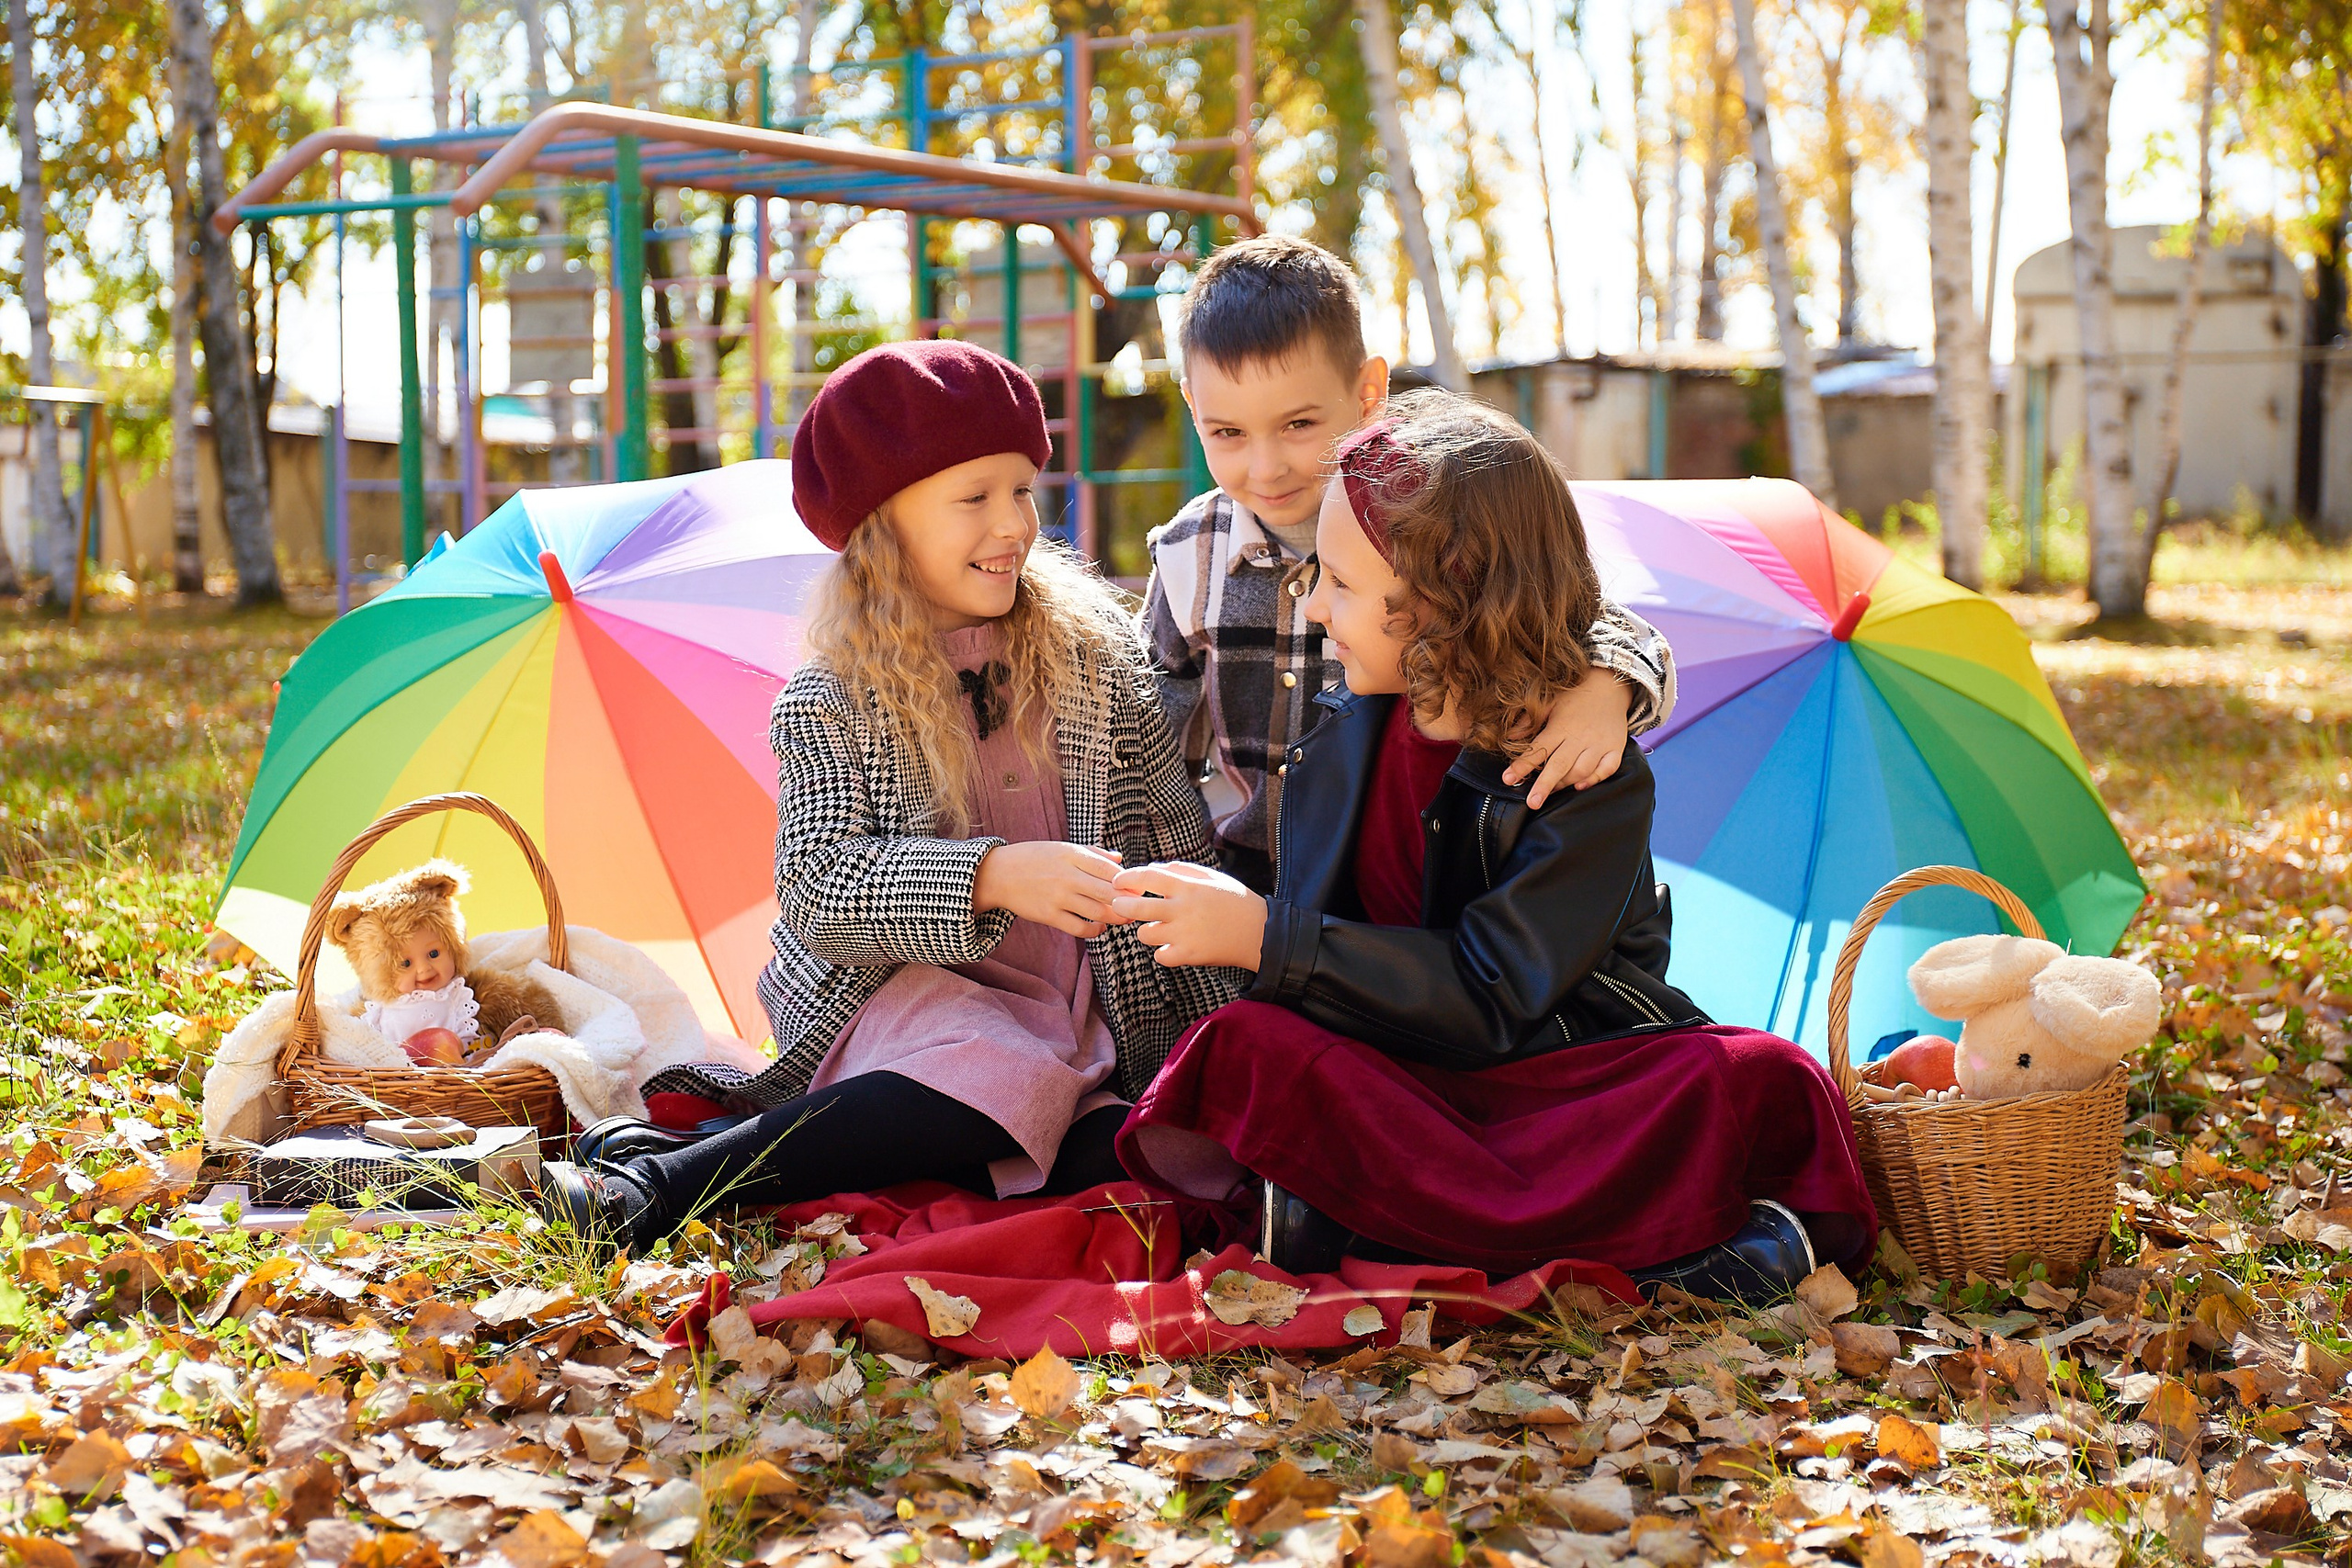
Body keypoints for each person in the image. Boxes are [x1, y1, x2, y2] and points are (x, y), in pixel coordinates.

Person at [1108, 391, 1876, 1302]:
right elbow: (1321, 945)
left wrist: (1268, 939)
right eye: (1319, 575)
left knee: (1762, 1078)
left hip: (1550, 1085)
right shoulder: (1342, 722)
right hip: (1402, 1082)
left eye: (1342, 586)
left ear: (1445, 605)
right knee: (1241, 1042)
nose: (1312, 607)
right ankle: (1493, 1232)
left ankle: (1374, 1223)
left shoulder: (1581, 771)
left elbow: (1492, 995)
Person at [540, 342, 1240, 1255]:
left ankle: (727, 1144)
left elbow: (1175, 839)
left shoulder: (1094, 662)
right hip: (895, 998)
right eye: (973, 499)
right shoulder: (832, 697)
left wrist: (1219, 1025)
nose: (1013, 525)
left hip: (1074, 1015)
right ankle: (666, 1183)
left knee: (1136, 1161)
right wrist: (992, 876)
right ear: (884, 527)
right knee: (1001, 1073)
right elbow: (821, 889)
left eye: (1022, 490)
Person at [1146, 235, 1677, 893]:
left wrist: (1606, 688)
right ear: (1195, 410)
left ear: (1369, 390)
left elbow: (1585, 617)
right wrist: (1188, 879)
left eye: (1299, 425)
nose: (1266, 466)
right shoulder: (1184, 555)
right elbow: (1153, 747)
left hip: (1392, 887)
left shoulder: (1415, 520)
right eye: (1227, 432)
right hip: (1241, 884)